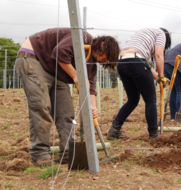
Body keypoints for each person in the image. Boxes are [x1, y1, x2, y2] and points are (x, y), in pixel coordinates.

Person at [15, 28, 120, 167]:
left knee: (66, 112)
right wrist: (76, 76)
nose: (105, 61)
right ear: (102, 46)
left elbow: (91, 87)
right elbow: (59, 53)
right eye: (106, 58)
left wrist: (92, 107)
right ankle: (40, 153)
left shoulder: (92, 64)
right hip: (33, 58)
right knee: (41, 107)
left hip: (54, 69)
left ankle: (68, 152)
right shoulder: (81, 37)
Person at [107, 28, 171, 140]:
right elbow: (158, 55)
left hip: (122, 62)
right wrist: (161, 75)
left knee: (133, 100)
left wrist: (157, 77)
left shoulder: (143, 34)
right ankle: (154, 135)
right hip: (136, 61)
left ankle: (114, 130)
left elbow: (143, 62)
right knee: (150, 100)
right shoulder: (161, 34)